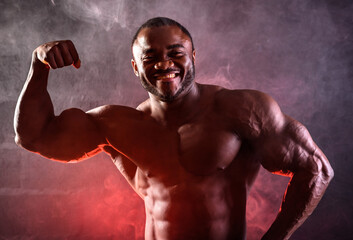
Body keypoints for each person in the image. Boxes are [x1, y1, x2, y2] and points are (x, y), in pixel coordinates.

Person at [14, 17, 334, 240]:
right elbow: (34, 136)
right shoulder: (115, 123)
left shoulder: (240, 109)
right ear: (135, 67)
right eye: (150, 57)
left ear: (193, 56)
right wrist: (38, 67)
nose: (163, 63)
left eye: (175, 53)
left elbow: (315, 169)